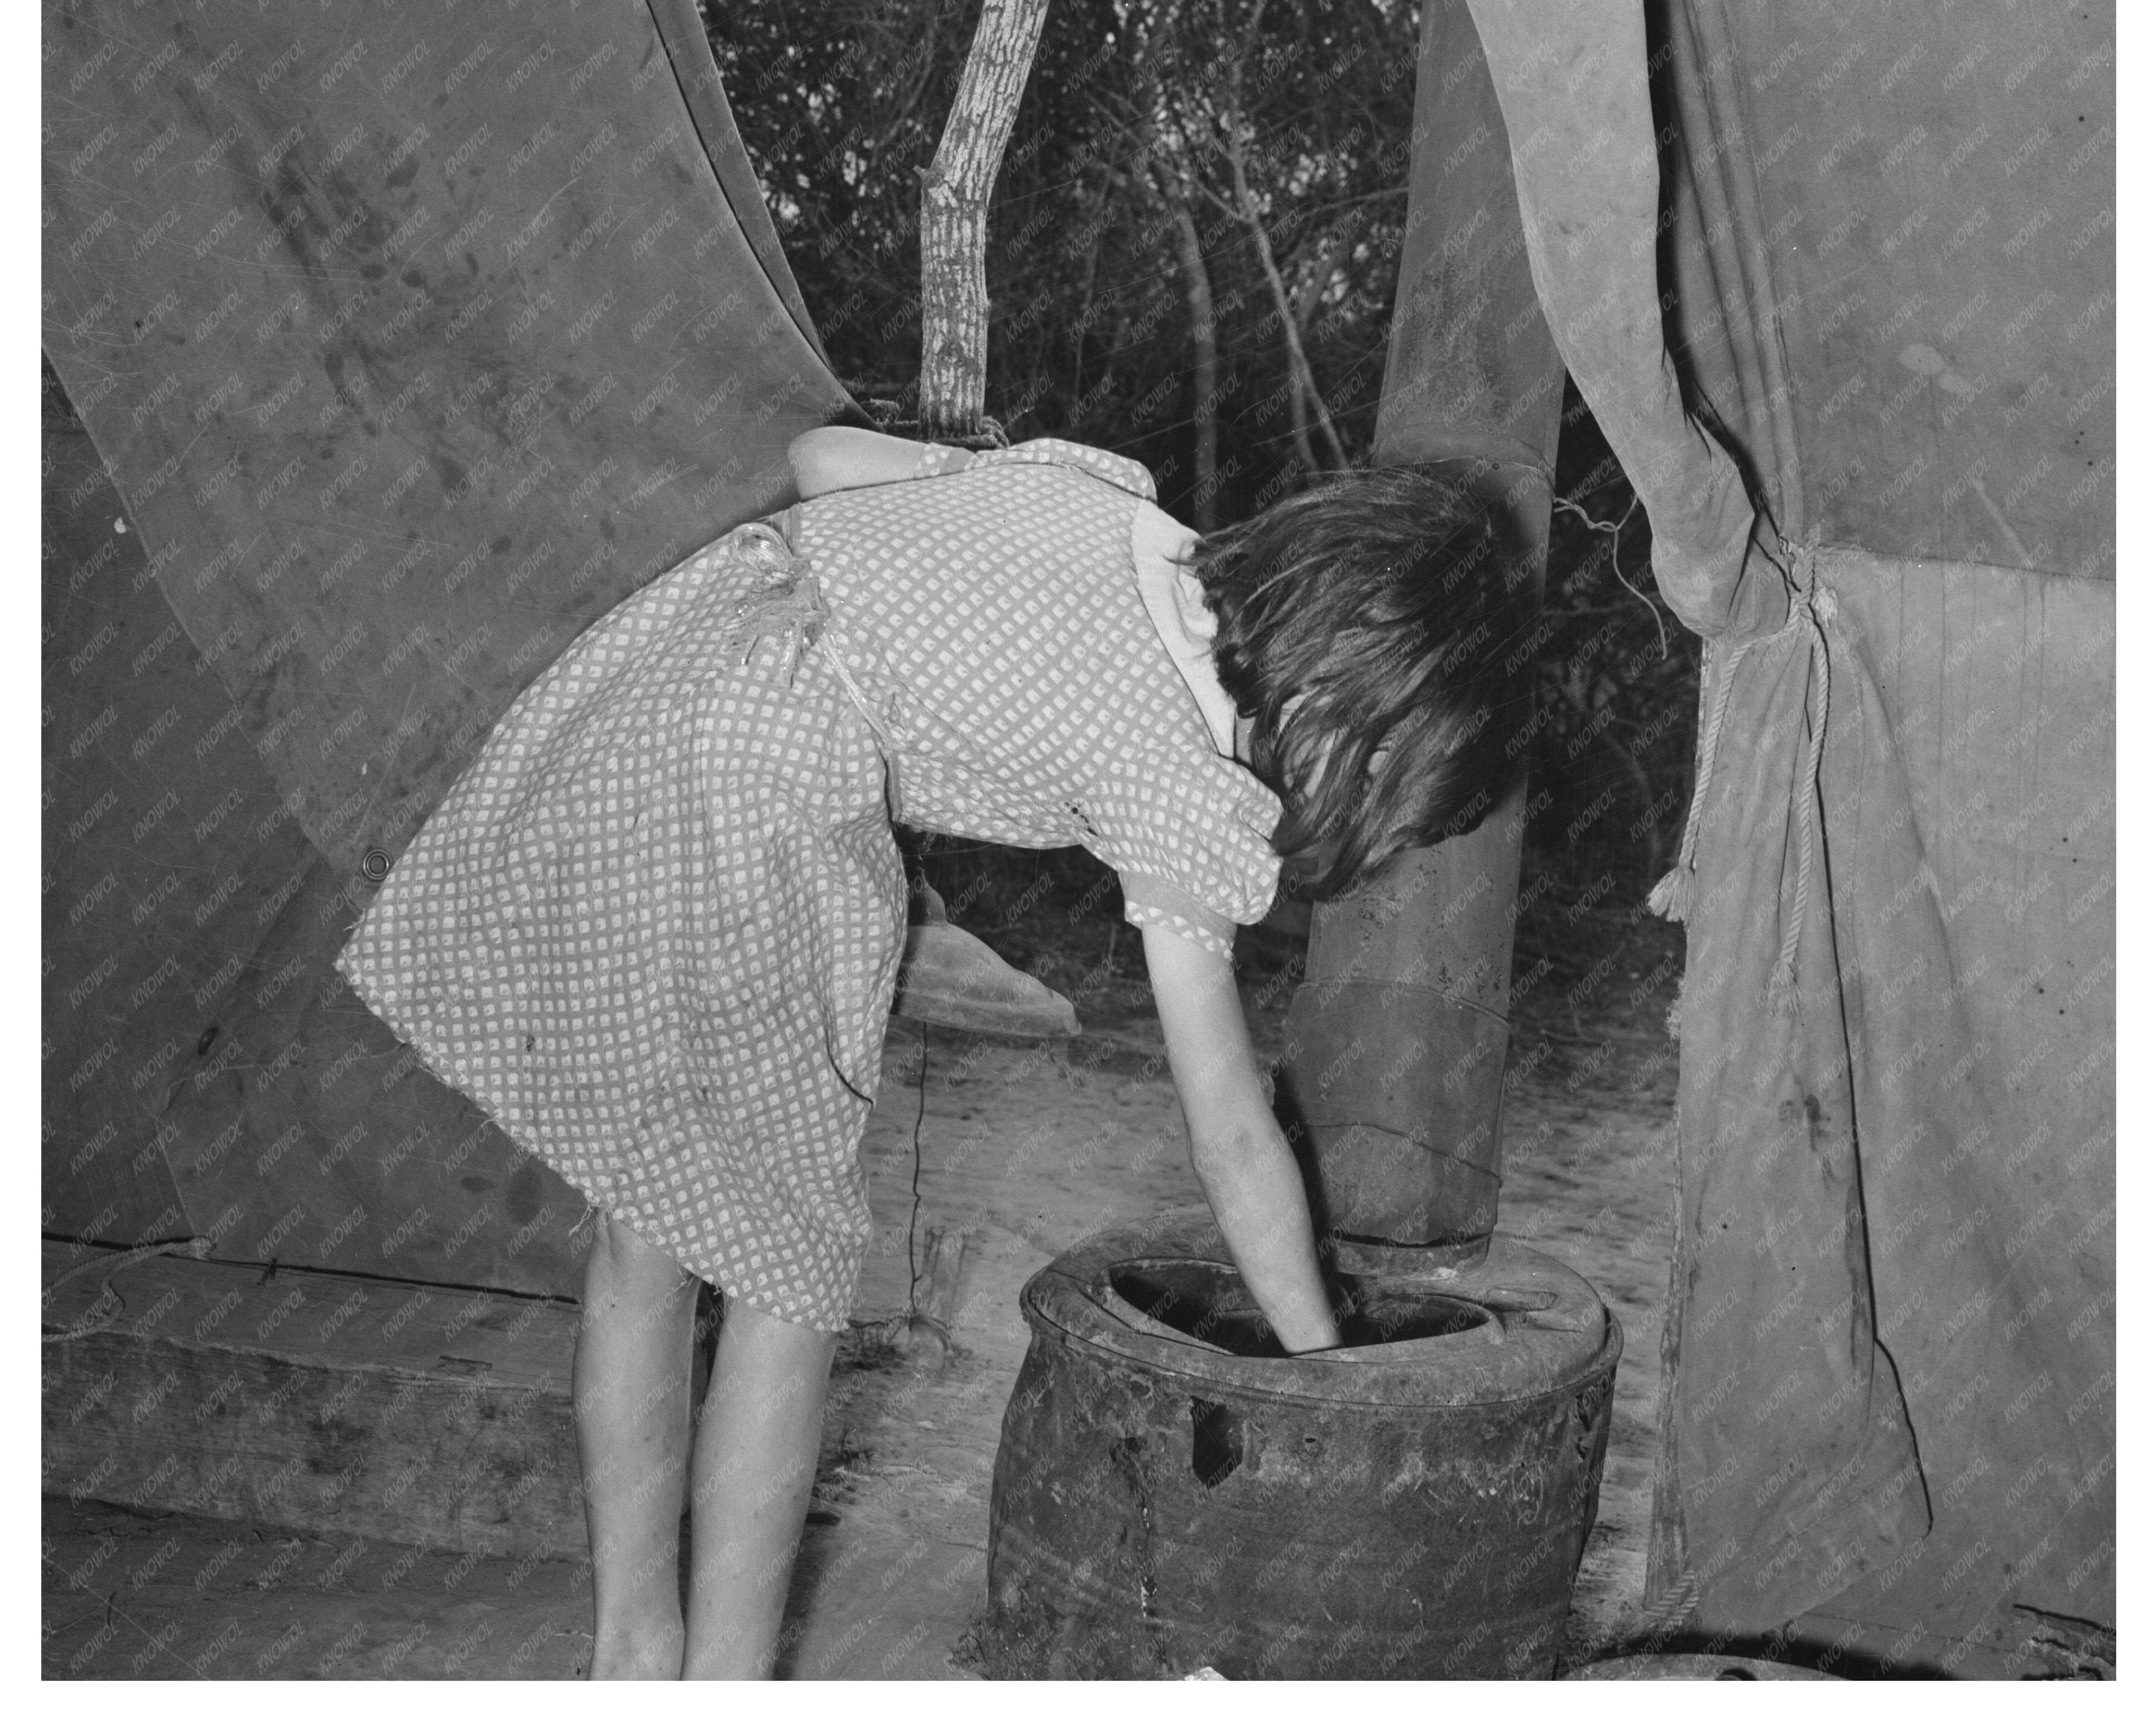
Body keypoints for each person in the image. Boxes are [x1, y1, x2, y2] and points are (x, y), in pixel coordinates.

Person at [338, 426, 1516, 1678]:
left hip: (661, 680)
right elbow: (1226, 1125)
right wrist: (1325, 1376)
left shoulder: (1102, 496)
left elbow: (814, 457)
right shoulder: (1178, 776)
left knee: (652, 1219)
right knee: (786, 1287)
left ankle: (635, 1655)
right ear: (1364, 729)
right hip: (769, 783)